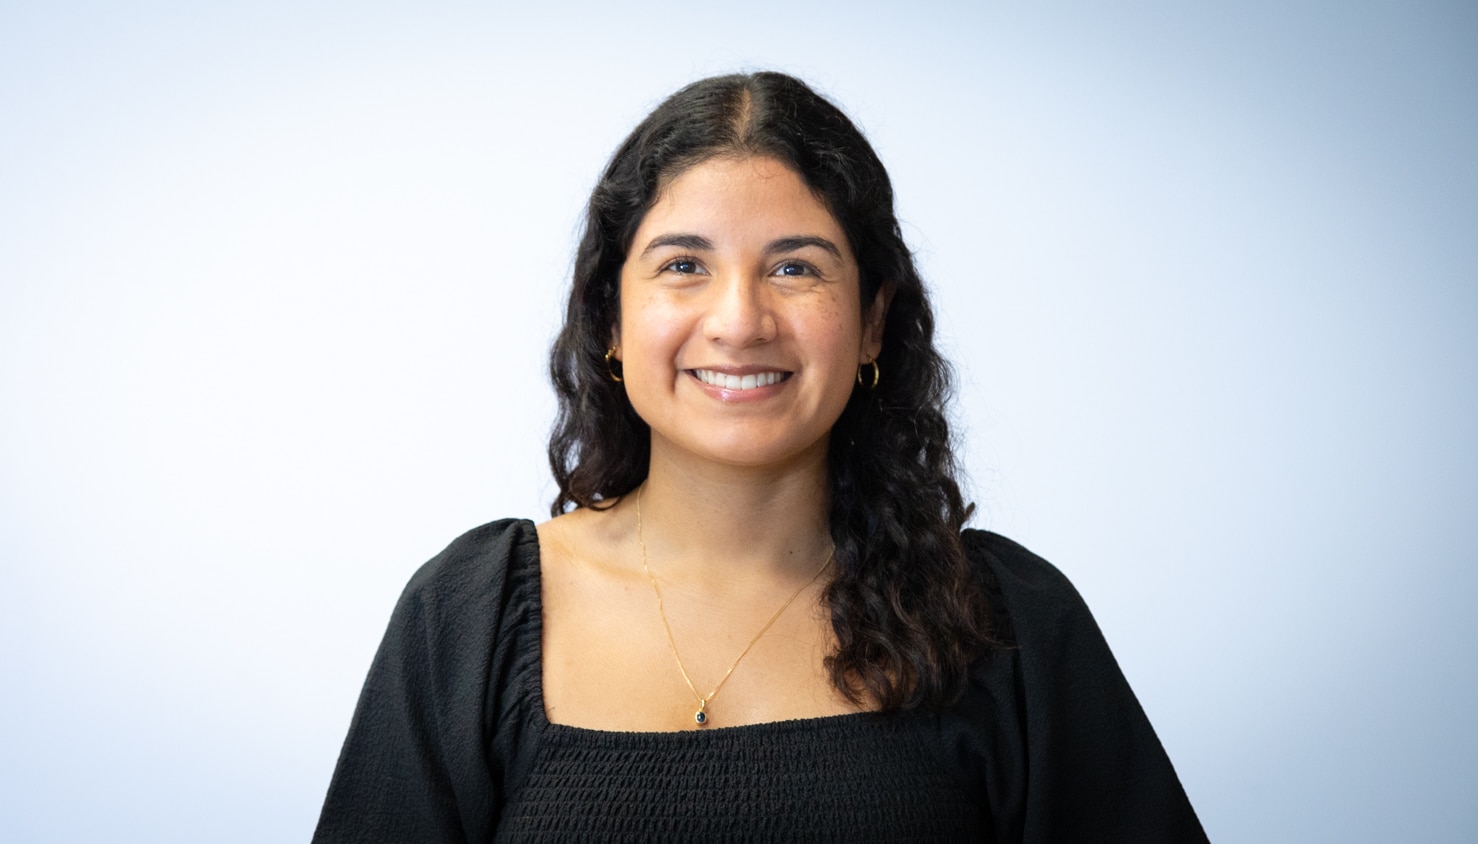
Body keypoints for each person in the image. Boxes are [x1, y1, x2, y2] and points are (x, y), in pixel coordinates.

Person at [313, 71, 1208, 842]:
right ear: (611, 322)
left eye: (795, 268)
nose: (739, 321)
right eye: (682, 266)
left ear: (872, 324)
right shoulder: (469, 617)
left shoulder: (1006, 622)